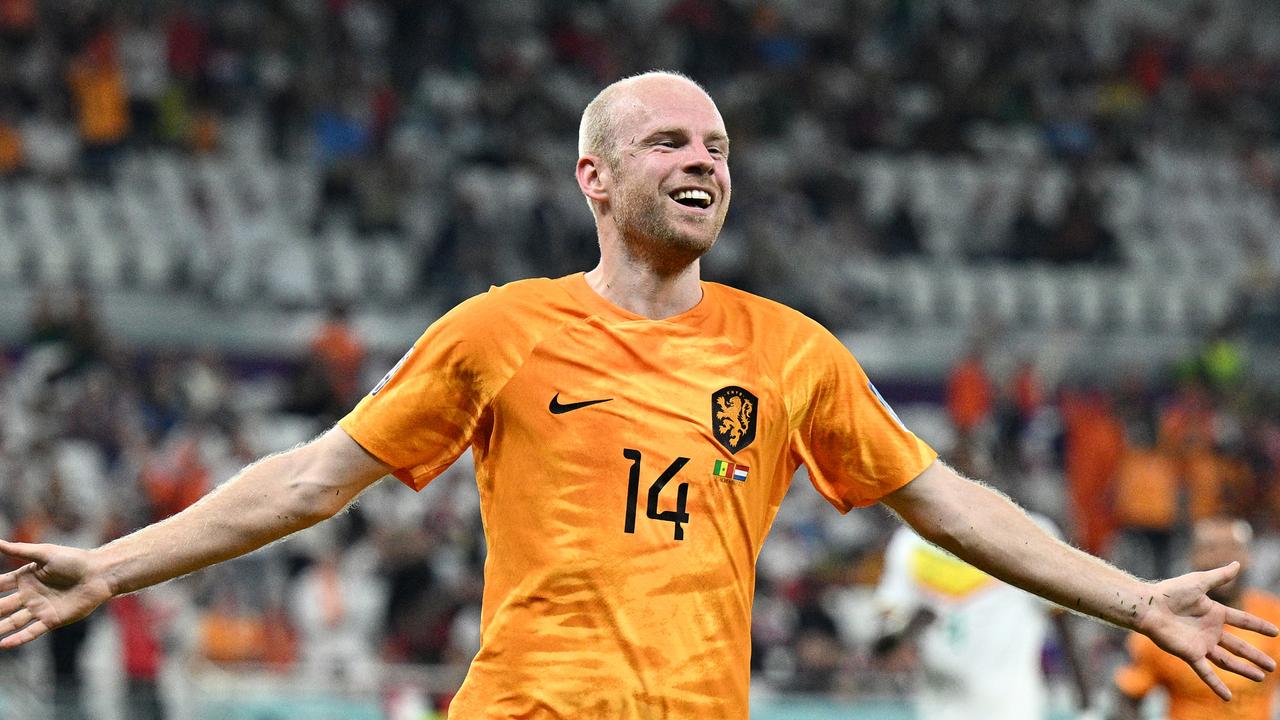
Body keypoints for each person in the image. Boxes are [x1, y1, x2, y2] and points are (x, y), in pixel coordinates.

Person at [0, 71, 1275, 719]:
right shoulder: (499, 330)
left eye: (716, 146)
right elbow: (308, 479)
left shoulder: (790, 353)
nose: (701, 160)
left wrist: (1131, 598)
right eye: (668, 142)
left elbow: (949, 506)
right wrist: (115, 564)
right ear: (593, 179)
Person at [873, 516, 1092, 720]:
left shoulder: (1034, 533)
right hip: (941, 711)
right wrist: (912, 627)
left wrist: (1086, 705)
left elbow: (1064, 625)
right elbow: (881, 647)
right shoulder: (911, 542)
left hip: (1010, 710)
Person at [1113, 517, 1280, 720]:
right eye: (1210, 548)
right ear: (1192, 557)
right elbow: (1128, 697)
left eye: (1232, 548)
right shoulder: (1164, 623)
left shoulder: (1273, 617)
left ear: (1248, 556)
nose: (1222, 557)